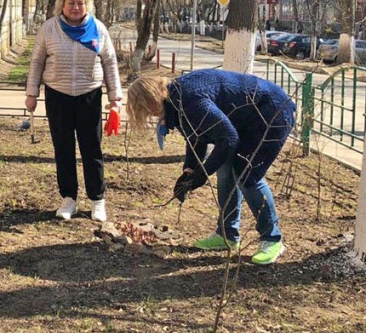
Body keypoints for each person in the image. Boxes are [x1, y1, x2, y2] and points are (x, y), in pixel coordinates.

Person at [125, 70, 296, 265]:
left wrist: (202, 175)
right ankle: (227, 235)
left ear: (150, 100)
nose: (147, 114)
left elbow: (229, 139)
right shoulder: (175, 99)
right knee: (225, 170)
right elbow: (197, 135)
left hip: (272, 113)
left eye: (144, 109)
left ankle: (272, 239)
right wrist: (189, 171)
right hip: (247, 120)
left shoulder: (190, 99)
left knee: (247, 174)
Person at [25, 0, 122, 222]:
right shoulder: (49, 28)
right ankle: (68, 199)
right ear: (62, 4)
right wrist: (31, 93)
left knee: (92, 149)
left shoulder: (98, 29)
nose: (76, 7)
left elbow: (110, 63)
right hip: (58, 96)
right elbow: (36, 61)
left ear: (87, 4)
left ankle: (97, 200)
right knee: (63, 149)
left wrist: (115, 98)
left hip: (89, 95)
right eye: (71, 3)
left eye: (80, 3)